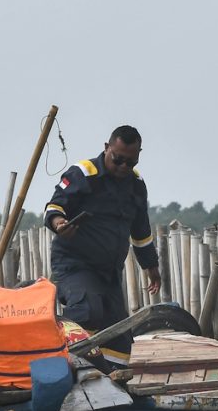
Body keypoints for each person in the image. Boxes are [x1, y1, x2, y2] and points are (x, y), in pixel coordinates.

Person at [44, 125, 161, 369]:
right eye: (118, 160)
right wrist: (60, 224)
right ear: (107, 148)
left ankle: (111, 381)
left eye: (130, 162)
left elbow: (141, 231)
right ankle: (59, 363)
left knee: (118, 333)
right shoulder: (82, 173)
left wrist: (151, 266)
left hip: (109, 271)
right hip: (75, 264)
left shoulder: (136, 184)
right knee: (88, 311)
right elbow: (54, 208)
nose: (123, 167)